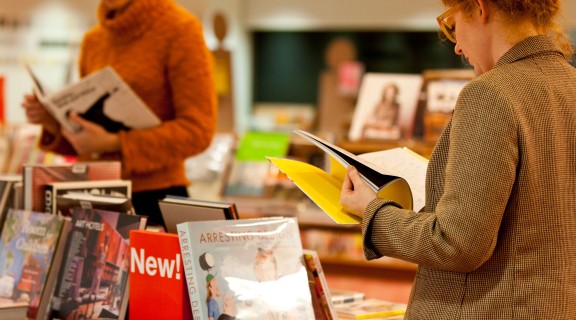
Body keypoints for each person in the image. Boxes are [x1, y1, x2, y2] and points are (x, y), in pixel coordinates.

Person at [340, 0, 576, 318]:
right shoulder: (569, 86)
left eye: (453, 25)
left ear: (480, 9)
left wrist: (373, 213)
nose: (457, 47)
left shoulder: (490, 93)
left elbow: (456, 243)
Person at [21, 0, 217, 228]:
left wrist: (114, 142)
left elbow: (198, 130)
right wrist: (53, 123)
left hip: (155, 199)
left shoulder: (181, 29)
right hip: (94, 194)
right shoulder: (94, 40)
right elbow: (89, 142)